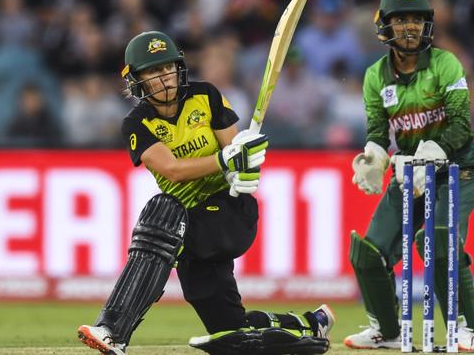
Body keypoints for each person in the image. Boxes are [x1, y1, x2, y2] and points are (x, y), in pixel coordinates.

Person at [76, 31, 334, 355]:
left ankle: (112, 330)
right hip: (189, 232)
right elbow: (172, 169)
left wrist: (245, 168)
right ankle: (310, 324)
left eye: (168, 68)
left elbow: (236, 152)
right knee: (231, 330)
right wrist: (225, 161)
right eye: (153, 72)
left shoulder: (206, 96)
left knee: (163, 209)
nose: (165, 77)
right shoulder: (137, 123)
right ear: (136, 80)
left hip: (228, 213)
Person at [348, 0, 474, 352]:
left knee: (436, 242)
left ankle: (464, 328)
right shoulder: (375, 76)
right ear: (385, 25)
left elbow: (461, 125)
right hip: (410, 171)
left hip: (459, 169)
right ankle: (386, 329)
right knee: (368, 252)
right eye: (400, 19)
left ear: (427, 25)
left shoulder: (446, 64)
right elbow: (378, 131)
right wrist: (374, 158)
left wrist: (435, 152)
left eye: (416, 20)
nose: (410, 27)